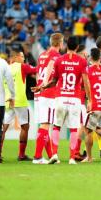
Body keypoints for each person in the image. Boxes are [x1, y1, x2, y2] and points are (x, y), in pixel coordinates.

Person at [32, 36, 91, 165]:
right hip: (74, 99)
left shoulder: (57, 59)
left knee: (56, 127)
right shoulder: (81, 61)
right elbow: (86, 82)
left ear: (66, 46)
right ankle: (71, 158)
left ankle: (53, 154)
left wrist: (42, 86)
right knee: (74, 129)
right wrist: (90, 99)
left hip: (59, 97)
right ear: (76, 47)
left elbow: (53, 79)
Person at [32, 33, 62, 164]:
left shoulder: (42, 54)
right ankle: (37, 157)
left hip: (39, 93)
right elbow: (50, 67)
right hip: (48, 92)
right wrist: (44, 84)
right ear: (61, 43)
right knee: (45, 125)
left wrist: (40, 85)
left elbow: (38, 72)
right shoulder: (55, 56)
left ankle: (51, 156)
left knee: (44, 124)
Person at [1, 49, 37, 161]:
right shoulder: (22, 66)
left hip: (7, 100)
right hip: (20, 101)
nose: (24, 59)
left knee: (3, 128)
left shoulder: (5, 68)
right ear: (16, 57)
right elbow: (37, 69)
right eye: (22, 56)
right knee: (25, 127)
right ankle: (21, 155)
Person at [82, 48, 101, 163]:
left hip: (95, 105)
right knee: (98, 127)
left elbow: (85, 86)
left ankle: (89, 157)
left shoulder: (88, 70)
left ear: (90, 58)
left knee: (88, 130)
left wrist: (89, 101)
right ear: (100, 58)